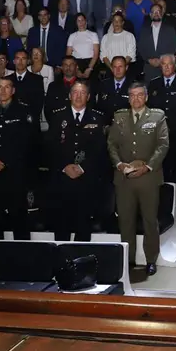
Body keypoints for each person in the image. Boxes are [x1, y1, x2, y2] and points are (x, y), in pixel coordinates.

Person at [108, 82, 170, 275]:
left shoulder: (157, 116)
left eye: (139, 95)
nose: (136, 99)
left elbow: (163, 145)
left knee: (150, 220)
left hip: (148, 178)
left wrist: (148, 167)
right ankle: (129, 260)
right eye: (132, 95)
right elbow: (112, 145)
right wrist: (119, 164)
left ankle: (151, 260)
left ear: (146, 97)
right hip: (124, 179)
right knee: (125, 221)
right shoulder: (119, 117)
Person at [45, 80, 108, 241]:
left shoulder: (97, 118)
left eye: (82, 93)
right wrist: (64, 166)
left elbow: (100, 150)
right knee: (61, 225)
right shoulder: (58, 116)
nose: (78, 96)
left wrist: (82, 167)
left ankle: (81, 262)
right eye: (75, 92)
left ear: (88, 97)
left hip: (86, 179)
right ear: (69, 95)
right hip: (62, 179)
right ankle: (60, 263)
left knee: (83, 225)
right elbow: (51, 147)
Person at [0, 76, 37, 240]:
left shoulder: (24, 111)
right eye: (0, 87)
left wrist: (8, 162)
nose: (3, 91)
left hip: (15, 173)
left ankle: (23, 260)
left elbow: (29, 143)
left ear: (13, 90)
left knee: (19, 220)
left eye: (7, 87)